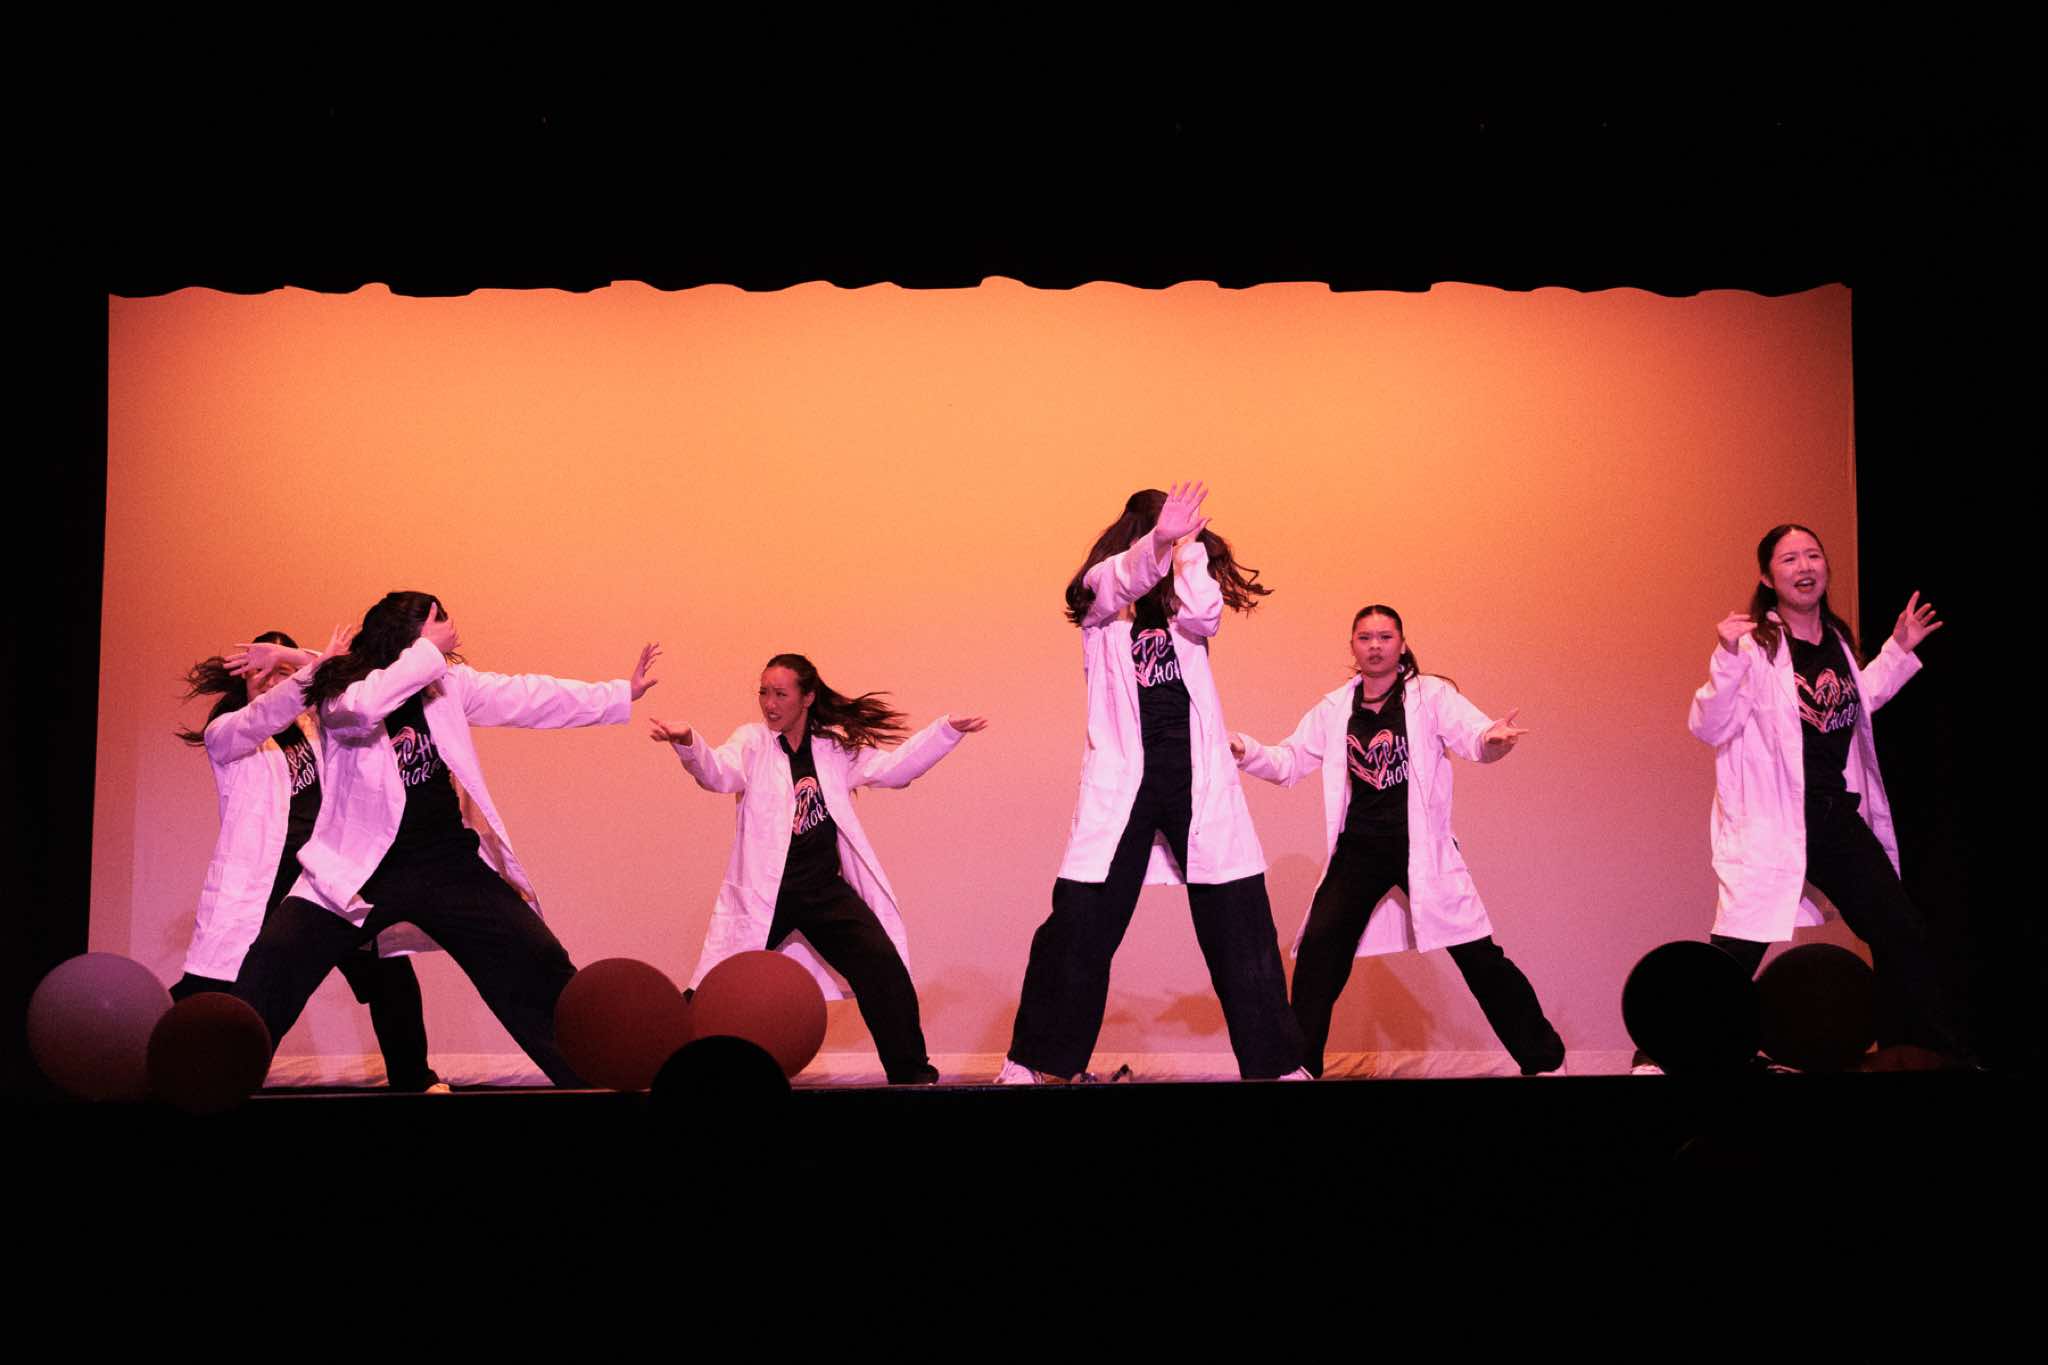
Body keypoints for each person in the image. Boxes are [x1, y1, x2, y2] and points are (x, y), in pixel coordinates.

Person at [231, 592, 660, 1086]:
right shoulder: (341, 691)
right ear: (407, 641)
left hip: (445, 862)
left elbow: (529, 696)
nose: (448, 636)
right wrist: (424, 650)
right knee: (273, 965)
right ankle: (222, 1084)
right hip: (358, 868)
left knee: (536, 962)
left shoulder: (445, 686)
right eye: (436, 628)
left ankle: (595, 1086)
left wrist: (618, 694)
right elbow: (366, 706)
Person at [1001, 482, 1306, 1083]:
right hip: (1124, 785)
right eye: (1164, 531)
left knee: (1241, 925)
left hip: (1196, 780)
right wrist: (1158, 543)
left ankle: (1276, 1067)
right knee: (1080, 924)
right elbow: (1118, 578)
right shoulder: (1102, 603)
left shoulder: (1183, 607)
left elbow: (1206, 614)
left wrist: (1186, 552)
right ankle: (1032, 1063)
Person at [1234, 605, 1565, 1077]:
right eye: (1365, 637)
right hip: (1358, 850)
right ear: (1352, 646)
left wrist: (1493, 739)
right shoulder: (1334, 708)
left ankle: (1545, 1060)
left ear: (1402, 645)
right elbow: (1289, 762)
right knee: (1319, 952)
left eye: (1385, 637)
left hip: (1420, 848)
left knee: (1478, 956)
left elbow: (1473, 736)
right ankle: (1299, 1065)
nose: (1375, 646)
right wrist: (1245, 750)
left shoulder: (1431, 695)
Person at [1687, 522, 1963, 1057]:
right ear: (1767, 577)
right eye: (1789, 559)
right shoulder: (1753, 647)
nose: (1804, 567)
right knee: (1739, 947)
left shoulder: (1836, 640)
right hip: (1775, 819)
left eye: (1812, 555)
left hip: (1833, 816)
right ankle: (1679, 1051)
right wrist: (1725, 657)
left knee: (1899, 929)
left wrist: (1898, 650)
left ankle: (1922, 1054)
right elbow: (1709, 725)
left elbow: (1852, 704)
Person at [652, 655, 984, 1085]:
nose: (769, 703)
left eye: (780, 694)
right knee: (715, 986)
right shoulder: (752, 743)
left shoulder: (833, 749)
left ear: (807, 698)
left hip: (824, 892)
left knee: (882, 965)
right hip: (766, 893)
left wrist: (946, 731)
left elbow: (893, 770)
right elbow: (718, 773)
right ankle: (662, 1066)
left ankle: (911, 1074)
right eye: (764, 692)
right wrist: (687, 742)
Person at [174, 625, 441, 1090]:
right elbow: (267, 713)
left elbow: (359, 680)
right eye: (263, 672)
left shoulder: (321, 726)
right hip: (265, 882)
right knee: (219, 992)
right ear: (244, 680)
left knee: (388, 972)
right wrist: (302, 670)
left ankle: (414, 1079)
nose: (274, 681)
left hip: (325, 878)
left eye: (284, 671)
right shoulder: (229, 733)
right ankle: (191, 1076)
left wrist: (305, 662)